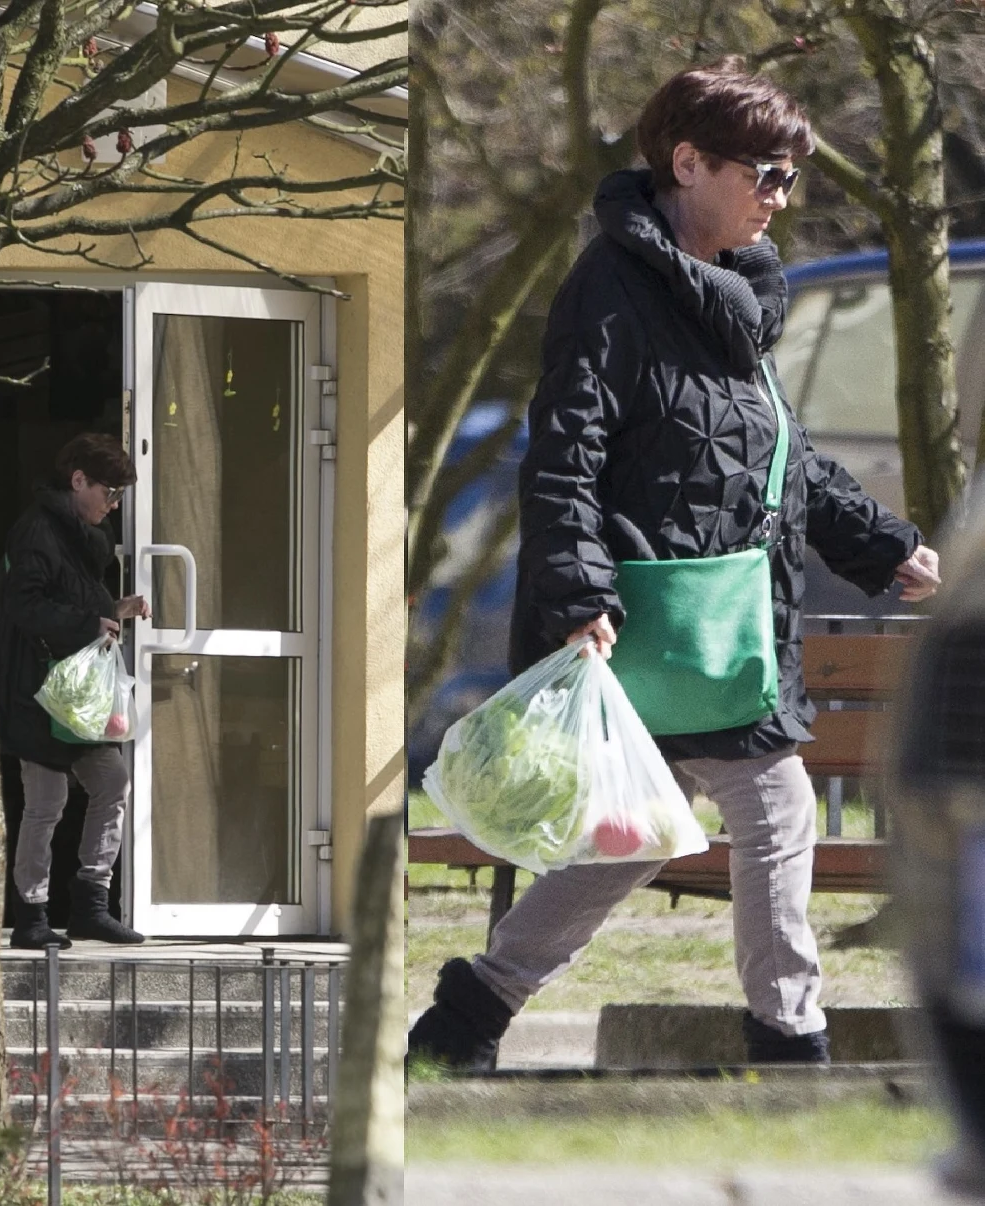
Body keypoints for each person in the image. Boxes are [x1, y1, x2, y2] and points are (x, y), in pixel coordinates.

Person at [407, 57, 942, 1068]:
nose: (778, 198)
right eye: (765, 173)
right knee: (773, 805)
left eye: (791, 178)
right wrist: (578, 591)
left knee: (636, 832)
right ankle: (789, 1042)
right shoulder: (610, 289)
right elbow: (564, 454)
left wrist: (886, 547)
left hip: (725, 620)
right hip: (651, 612)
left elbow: (775, 455)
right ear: (688, 161)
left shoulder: (732, 300)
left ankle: (466, 1016)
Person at [0, 432, 151, 947]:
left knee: (111, 782)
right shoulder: (37, 531)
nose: (115, 504)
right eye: (111, 492)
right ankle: (31, 918)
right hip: (37, 691)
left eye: (120, 495)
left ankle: (90, 906)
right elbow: (24, 606)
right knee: (47, 801)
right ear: (79, 481)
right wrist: (90, 622)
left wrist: (115, 611)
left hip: (74, 696)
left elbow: (73, 605)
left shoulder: (77, 534)